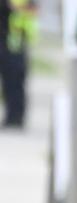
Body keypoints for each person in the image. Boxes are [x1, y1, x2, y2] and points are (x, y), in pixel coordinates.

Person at [0, 0, 35, 129]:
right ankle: (11, 117)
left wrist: (16, 8)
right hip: (6, 42)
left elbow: (32, 10)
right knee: (8, 84)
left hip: (17, 43)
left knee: (16, 81)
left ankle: (16, 117)